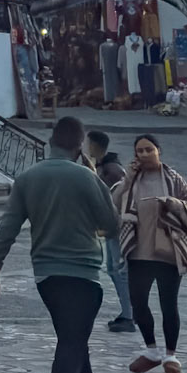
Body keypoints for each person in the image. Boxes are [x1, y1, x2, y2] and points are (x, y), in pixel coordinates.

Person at [0, 113, 119, 373]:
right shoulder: (87, 178)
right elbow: (111, 223)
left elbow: (8, 227)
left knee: (75, 346)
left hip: (46, 275)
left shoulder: (27, 178)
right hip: (83, 274)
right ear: (78, 146)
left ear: (50, 143)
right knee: (72, 347)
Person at [116, 135, 187, 373]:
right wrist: (128, 179)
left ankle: (171, 355)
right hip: (138, 252)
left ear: (158, 151)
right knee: (138, 301)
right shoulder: (131, 181)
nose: (144, 154)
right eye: (139, 151)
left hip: (168, 252)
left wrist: (174, 204)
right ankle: (151, 350)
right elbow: (114, 204)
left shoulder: (174, 180)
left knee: (168, 304)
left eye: (148, 150)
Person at [84, 129, 137, 332]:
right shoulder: (101, 167)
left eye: (88, 144)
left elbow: (115, 198)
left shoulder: (112, 170)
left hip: (118, 227)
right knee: (114, 270)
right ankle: (127, 312)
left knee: (120, 270)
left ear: (95, 146)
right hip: (110, 227)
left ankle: (129, 315)